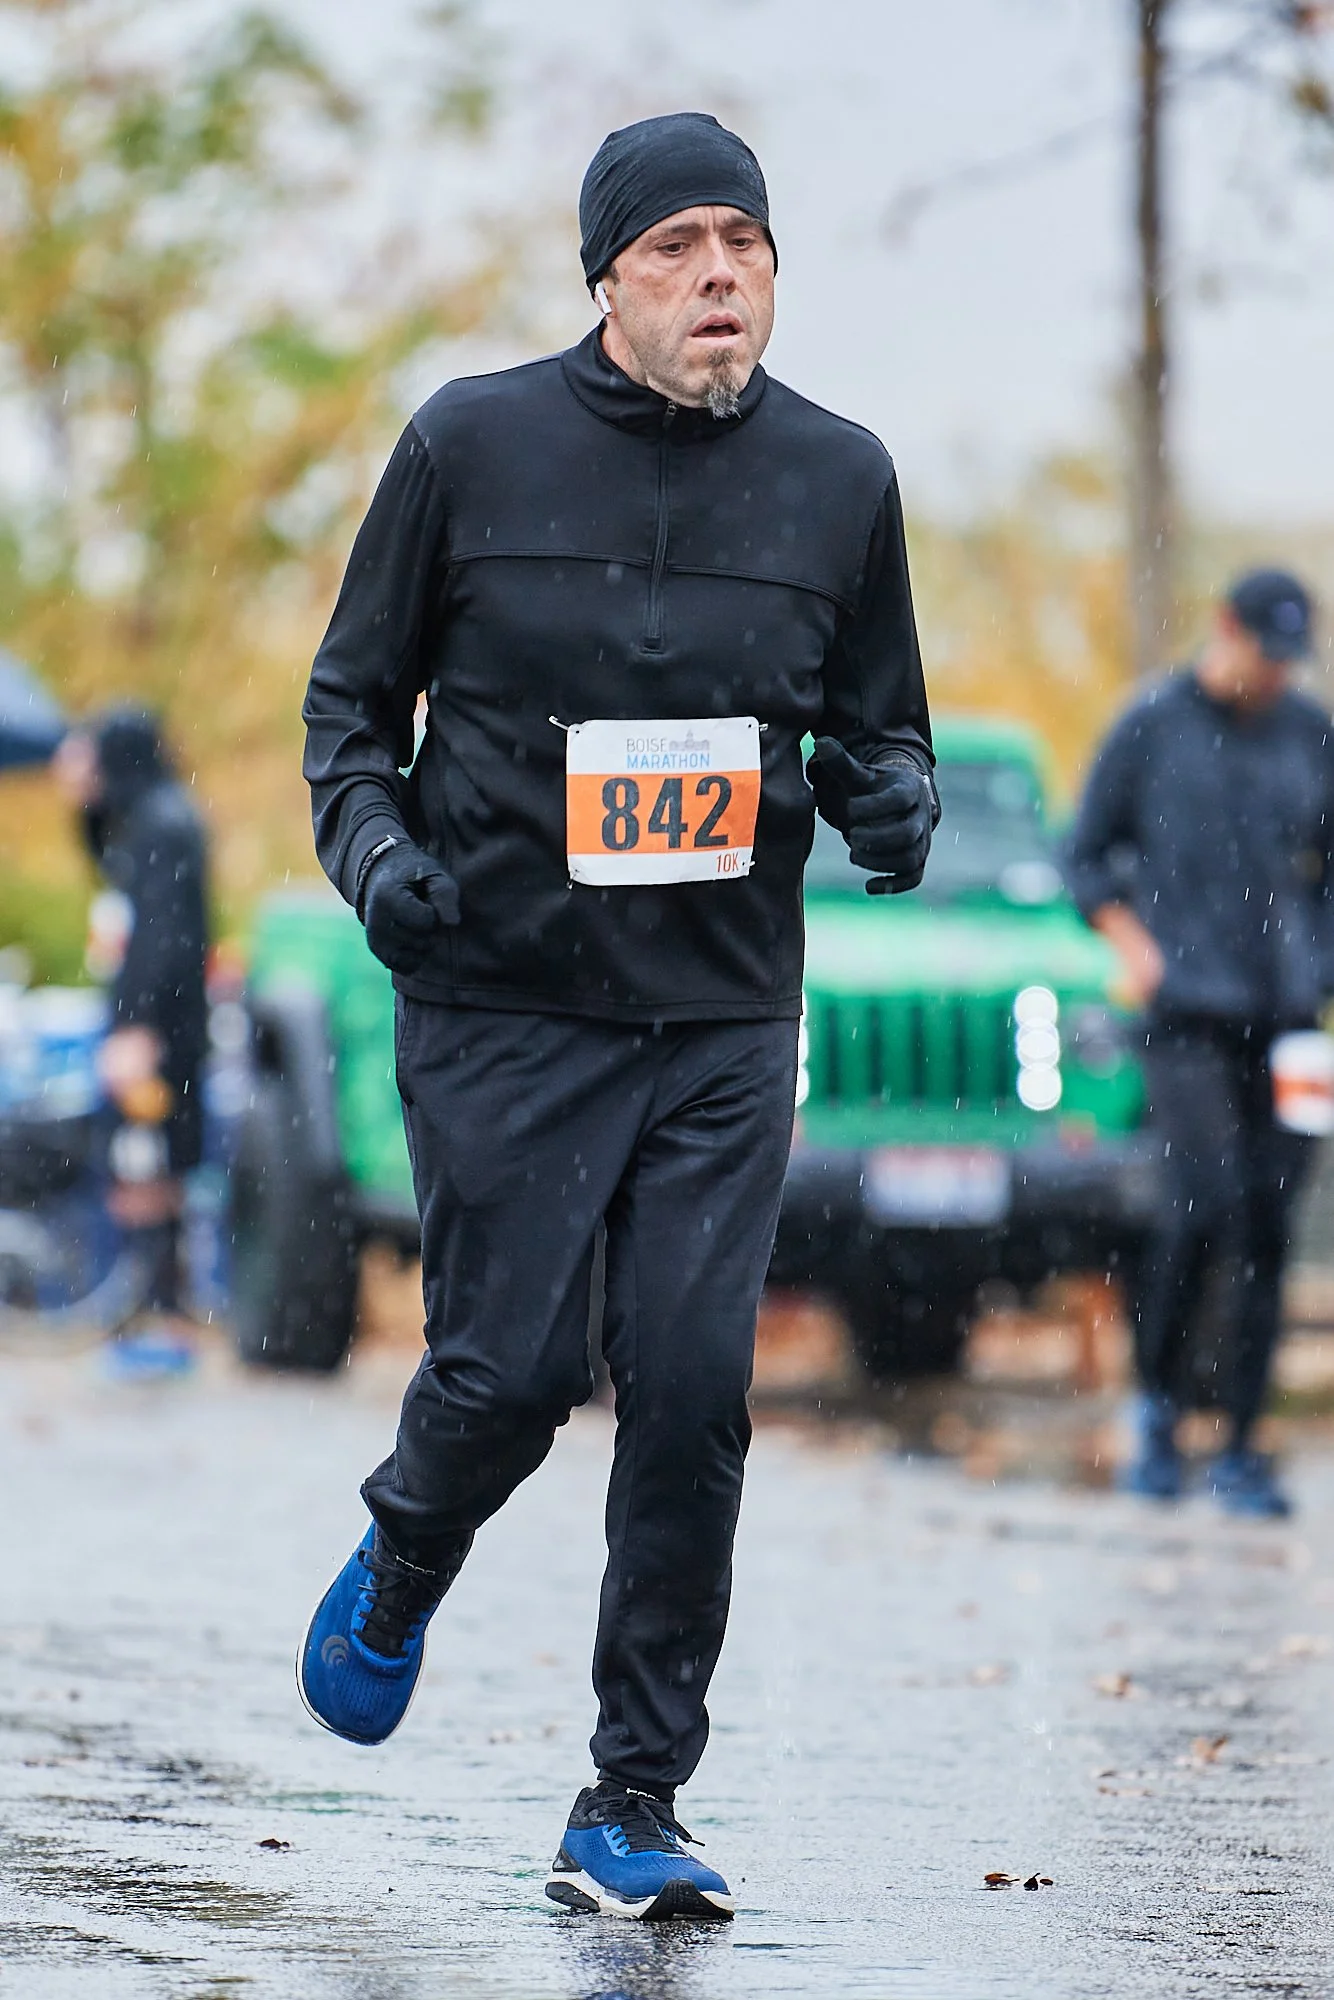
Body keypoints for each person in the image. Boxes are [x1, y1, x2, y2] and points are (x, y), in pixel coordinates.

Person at [299, 110, 936, 1920]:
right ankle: (407, 1549)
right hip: (501, 999)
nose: (718, 274)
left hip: (720, 1020)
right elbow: (347, 714)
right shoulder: (468, 445)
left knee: (690, 1392)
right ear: (605, 278)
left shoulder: (840, 479)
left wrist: (892, 801)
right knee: (509, 1376)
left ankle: (630, 1795)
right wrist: (375, 858)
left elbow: (881, 729)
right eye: (675, 246)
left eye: (744, 243)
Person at [1066, 569, 1331, 1518]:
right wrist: (1133, 945)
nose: (1276, 674)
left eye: (1290, 660)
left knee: (1268, 1224)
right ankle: (1160, 1411)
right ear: (1226, 629)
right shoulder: (1152, 727)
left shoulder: (1310, 735)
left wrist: (1319, 962)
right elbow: (1083, 856)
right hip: (1184, 1017)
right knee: (1202, 1207)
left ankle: (1243, 1445)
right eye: (1266, 653)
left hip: (1290, 1024)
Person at [53, 707, 209, 1346]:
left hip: (157, 1028)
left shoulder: (163, 825)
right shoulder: (146, 818)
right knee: (141, 1156)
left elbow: (162, 937)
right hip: (154, 1021)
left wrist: (138, 1027)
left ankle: (159, 1311)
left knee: (147, 1158)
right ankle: (151, 1306)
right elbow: (104, 866)